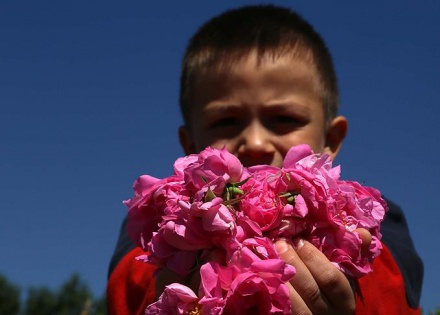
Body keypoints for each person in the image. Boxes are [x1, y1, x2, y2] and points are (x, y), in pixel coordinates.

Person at [107, 5, 423, 314]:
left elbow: (392, 293)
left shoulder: (377, 221)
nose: (255, 143)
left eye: (284, 118)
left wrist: (348, 294)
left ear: (331, 140)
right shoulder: (157, 226)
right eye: (225, 122)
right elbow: (127, 290)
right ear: (189, 146)